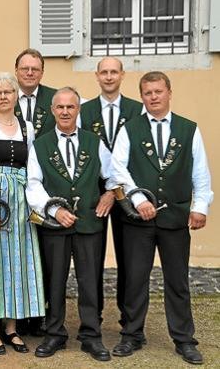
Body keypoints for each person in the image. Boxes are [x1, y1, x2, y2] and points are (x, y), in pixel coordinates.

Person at [108, 72, 213, 365]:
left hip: (175, 218)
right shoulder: (130, 129)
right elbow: (118, 170)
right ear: (141, 96)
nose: (153, 97)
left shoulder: (189, 129)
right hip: (138, 222)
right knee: (135, 279)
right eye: (147, 93)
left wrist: (200, 207)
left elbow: (200, 172)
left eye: (158, 91)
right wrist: (138, 200)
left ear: (169, 92)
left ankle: (184, 340)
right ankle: (132, 335)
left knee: (177, 281)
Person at [25, 87, 115, 362]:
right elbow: (33, 184)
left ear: (78, 110)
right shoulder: (40, 145)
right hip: (55, 225)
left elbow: (113, 175)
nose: (65, 112)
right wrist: (54, 209)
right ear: (53, 110)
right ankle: (54, 333)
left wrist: (110, 194)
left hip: (89, 222)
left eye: (70, 107)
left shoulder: (94, 141)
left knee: (90, 280)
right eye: (60, 107)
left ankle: (91, 335)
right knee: (54, 280)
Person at [0, 73, 45, 355]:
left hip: (20, 199)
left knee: (17, 261)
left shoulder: (27, 127)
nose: (3, 97)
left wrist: (33, 203)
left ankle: (12, 327)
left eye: (8, 92)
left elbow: (32, 168)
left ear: (16, 95)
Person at [80, 57, 143, 327]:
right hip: (93, 193)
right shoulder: (84, 110)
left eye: (113, 72)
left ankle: (129, 320)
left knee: (129, 258)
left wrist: (118, 189)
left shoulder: (137, 109)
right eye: (104, 72)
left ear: (122, 75)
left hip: (129, 192)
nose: (108, 77)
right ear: (97, 76)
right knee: (91, 258)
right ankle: (92, 317)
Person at [0, 49, 56, 140]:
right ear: (16, 70)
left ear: (42, 73)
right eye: (25, 69)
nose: (30, 73)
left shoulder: (56, 98)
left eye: (35, 69)